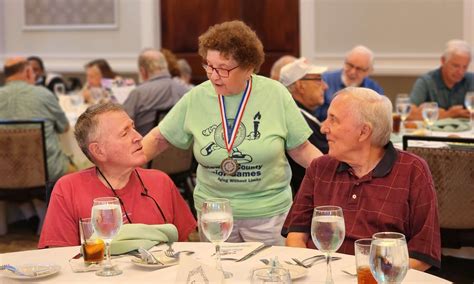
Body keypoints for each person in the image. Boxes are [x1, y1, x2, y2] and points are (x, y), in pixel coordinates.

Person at [142, 20, 322, 245]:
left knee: (267, 277)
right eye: (209, 65)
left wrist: (336, 175)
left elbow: (301, 149)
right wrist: (126, 162)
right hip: (214, 213)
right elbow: (159, 138)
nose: (213, 75)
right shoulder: (196, 97)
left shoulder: (275, 94)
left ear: (248, 68)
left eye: (223, 69)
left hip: (268, 214)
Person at [282, 87, 441, 271]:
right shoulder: (320, 167)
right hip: (322, 272)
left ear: (364, 132)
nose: (323, 128)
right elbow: (296, 234)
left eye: (333, 119)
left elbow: (423, 253)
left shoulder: (412, 171)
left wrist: (374, 277)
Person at [38, 102, 196, 248]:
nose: (139, 137)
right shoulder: (68, 190)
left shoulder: (160, 182)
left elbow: (185, 248)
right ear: (98, 151)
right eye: (125, 133)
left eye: (133, 127)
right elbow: (59, 256)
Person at [0, 57, 73, 234]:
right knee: (74, 164)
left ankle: (24, 213)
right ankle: (45, 215)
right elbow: (64, 127)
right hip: (43, 172)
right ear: (27, 72)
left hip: (3, 173)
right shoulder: (43, 95)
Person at [279, 57, 329, 194]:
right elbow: (327, 159)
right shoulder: (296, 119)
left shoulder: (302, 113)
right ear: (300, 85)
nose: (325, 86)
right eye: (318, 80)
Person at [123, 48, 189, 136]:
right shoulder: (185, 90)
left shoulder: (138, 94)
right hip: (179, 147)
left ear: (143, 71)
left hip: (144, 146)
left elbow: (122, 125)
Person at [314, 45, 384, 121]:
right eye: (350, 65)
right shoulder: (325, 80)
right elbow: (314, 113)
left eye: (359, 69)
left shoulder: (374, 90)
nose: (352, 72)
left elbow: (378, 120)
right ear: (344, 62)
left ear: (368, 71)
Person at [409, 39, 473, 119]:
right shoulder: (426, 81)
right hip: (431, 131)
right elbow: (408, 113)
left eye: (465, 67)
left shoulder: (471, 80)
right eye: (455, 66)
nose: (460, 72)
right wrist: (448, 114)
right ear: (443, 61)